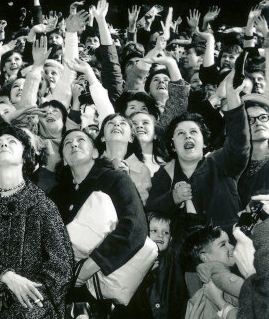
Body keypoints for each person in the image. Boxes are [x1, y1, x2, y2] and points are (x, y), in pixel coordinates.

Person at [0, 121, 73, 318]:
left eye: (11, 141)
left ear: (24, 158)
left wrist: (32, 304)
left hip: (34, 311)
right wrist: (3, 276)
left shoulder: (43, 205)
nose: (4, 144)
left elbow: (61, 267)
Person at [50, 129, 147, 309]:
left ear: (95, 152)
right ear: (63, 159)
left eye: (81, 139)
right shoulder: (57, 195)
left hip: (116, 288)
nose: (74, 144)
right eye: (67, 143)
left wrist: (87, 268)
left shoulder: (115, 179)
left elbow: (135, 227)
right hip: (72, 293)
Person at [145, 72, 250, 234]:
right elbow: (149, 207)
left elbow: (239, 142)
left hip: (226, 249)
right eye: (180, 133)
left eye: (194, 132)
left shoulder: (221, 163)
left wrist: (233, 95)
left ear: (205, 141)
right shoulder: (164, 175)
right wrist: (172, 198)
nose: (187, 135)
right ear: (172, 145)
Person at [96, 113, 152, 204]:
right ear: (102, 137)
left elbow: (140, 206)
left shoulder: (142, 170)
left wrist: (126, 180)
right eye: (110, 123)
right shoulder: (92, 163)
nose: (116, 125)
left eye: (123, 123)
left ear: (131, 138)